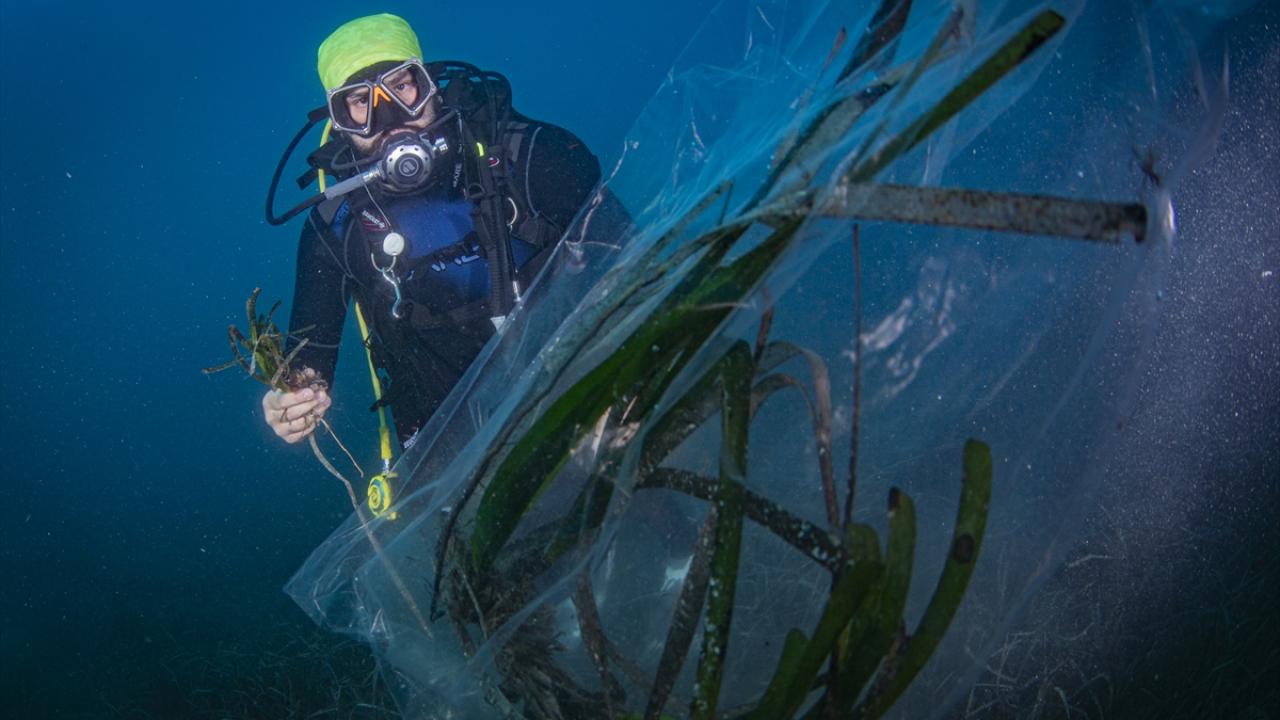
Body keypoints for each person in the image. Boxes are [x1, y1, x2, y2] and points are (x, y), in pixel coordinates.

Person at [261, 13, 609, 448]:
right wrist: (290, 404)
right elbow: (306, 369)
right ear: (340, 120)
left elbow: (633, 263)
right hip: (451, 457)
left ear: (432, 86)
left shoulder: (538, 157)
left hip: (597, 397)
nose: (388, 117)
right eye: (360, 103)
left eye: (402, 86)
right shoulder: (335, 228)